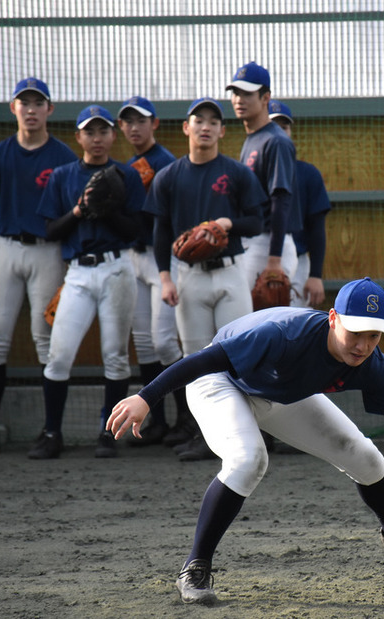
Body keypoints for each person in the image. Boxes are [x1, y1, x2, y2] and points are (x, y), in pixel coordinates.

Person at [106, 277, 384, 605]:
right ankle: (195, 566)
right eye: (355, 332)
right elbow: (203, 362)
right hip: (220, 382)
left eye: (374, 335)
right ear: (333, 319)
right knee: (249, 459)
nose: (363, 345)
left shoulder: (374, 366)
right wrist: (146, 397)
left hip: (281, 394)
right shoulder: (284, 334)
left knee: (366, 456)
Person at [142, 97, 266, 461]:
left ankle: (255, 433)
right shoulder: (168, 176)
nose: (206, 126)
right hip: (189, 278)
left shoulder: (238, 173)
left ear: (222, 131)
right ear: (187, 128)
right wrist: (165, 278)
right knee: (195, 360)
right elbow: (161, 232)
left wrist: (227, 222)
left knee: (241, 354)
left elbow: (256, 222)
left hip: (230, 272)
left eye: (214, 121)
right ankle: (205, 437)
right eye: (199, 120)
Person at [0, 77, 77, 456]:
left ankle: (51, 432)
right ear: (13, 108)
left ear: (49, 109)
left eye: (37, 102)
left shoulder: (63, 157)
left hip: (48, 251)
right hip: (5, 248)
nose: (30, 109)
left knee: (47, 340)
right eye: (23, 103)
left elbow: (73, 216)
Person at [29, 105, 146, 459]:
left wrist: (108, 210)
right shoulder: (63, 175)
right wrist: (81, 210)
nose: (97, 138)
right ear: (78, 137)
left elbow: (136, 231)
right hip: (78, 272)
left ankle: (107, 434)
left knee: (115, 355)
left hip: (116, 267)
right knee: (59, 355)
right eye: (89, 132)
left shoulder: (126, 175)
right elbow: (51, 231)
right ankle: (52, 433)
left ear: (113, 135)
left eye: (103, 131)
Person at [116, 96, 192, 449]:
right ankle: (156, 422)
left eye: (141, 120)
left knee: (164, 341)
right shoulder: (129, 165)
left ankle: (186, 420)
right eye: (128, 121)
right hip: (135, 257)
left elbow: (171, 219)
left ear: (155, 124)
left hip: (165, 259)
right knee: (144, 342)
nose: (134, 127)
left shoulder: (166, 165)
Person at [226, 62, 301, 293]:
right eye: (236, 92)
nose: (239, 99)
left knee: (260, 324)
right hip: (254, 242)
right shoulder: (254, 137)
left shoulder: (276, 141)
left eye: (248, 93)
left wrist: (274, 259)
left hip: (268, 244)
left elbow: (281, 200)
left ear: (265, 97)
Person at [268, 100, 331, 308]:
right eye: (273, 127)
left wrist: (315, 275)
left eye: (284, 127)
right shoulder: (251, 168)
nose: (279, 133)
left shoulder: (307, 173)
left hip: (298, 262)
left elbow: (317, 228)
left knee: (295, 330)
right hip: (258, 256)